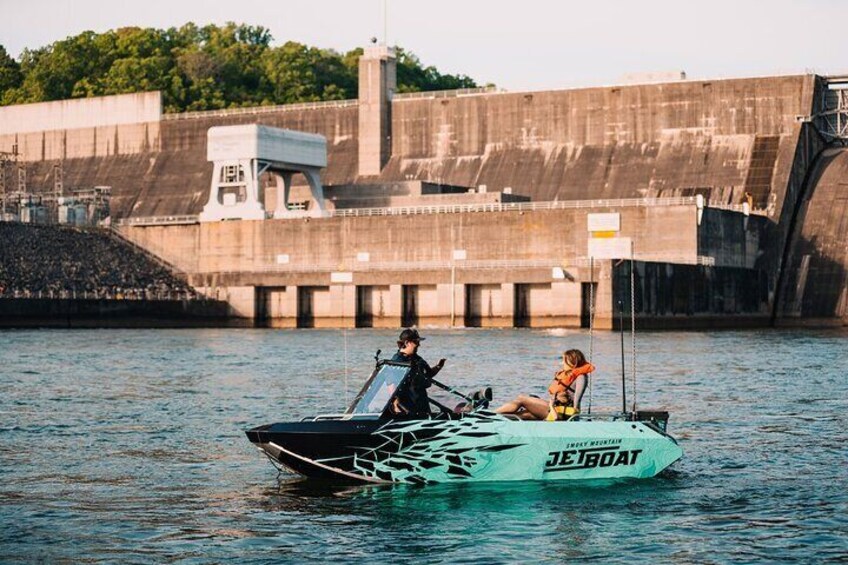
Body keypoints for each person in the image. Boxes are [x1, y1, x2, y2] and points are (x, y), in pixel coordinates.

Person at [495, 349, 594, 421]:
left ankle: (491, 414)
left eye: (564, 360)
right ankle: (493, 420)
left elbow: (577, 400)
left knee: (521, 399)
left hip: (561, 413)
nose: (562, 363)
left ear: (572, 361)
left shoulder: (581, 377)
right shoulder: (568, 374)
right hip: (554, 407)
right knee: (523, 415)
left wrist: (574, 419)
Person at [390, 328, 446, 418]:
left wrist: (439, 366)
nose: (419, 345)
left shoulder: (417, 359)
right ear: (407, 343)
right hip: (408, 405)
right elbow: (391, 383)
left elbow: (428, 375)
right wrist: (395, 403)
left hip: (421, 401)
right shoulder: (397, 361)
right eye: (416, 342)